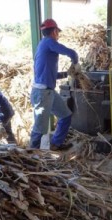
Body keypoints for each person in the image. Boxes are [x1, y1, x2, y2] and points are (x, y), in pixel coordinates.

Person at [29, 18, 80, 150]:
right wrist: (76, 63)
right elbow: (71, 53)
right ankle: (30, 155)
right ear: (54, 31)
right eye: (58, 32)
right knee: (40, 127)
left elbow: (51, 75)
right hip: (42, 94)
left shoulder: (43, 46)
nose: (58, 35)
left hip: (48, 92)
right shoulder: (48, 42)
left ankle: (56, 144)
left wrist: (67, 74)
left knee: (66, 116)